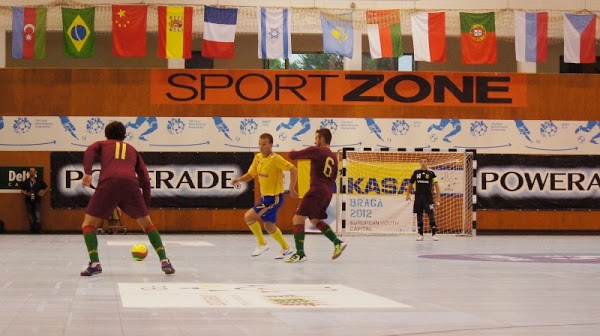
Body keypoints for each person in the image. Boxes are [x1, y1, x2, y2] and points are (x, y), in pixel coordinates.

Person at [79, 121, 175, 276]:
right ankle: (164, 260)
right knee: (147, 224)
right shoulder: (132, 149)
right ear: (124, 135)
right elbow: (144, 177)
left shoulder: (102, 144)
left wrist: (88, 172)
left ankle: (95, 263)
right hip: (130, 183)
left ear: (106, 134)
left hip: (109, 182)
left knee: (89, 224)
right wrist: (145, 204)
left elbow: (90, 150)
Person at [232, 133, 298, 259]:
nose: (261, 147)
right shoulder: (257, 158)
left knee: (249, 217)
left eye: (264, 144)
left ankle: (262, 243)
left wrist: (291, 188)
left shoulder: (276, 159)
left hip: (274, 198)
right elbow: (250, 175)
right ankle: (286, 248)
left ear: (271, 145)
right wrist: (238, 179)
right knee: (269, 225)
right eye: (259, 144)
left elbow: (293, 169)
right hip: (264, 197)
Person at [285, 128, 346, 263]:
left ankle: (300, 254)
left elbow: (293, 156)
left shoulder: (317, 150)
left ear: (322, 139)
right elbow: (334, 177)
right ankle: (337, 242)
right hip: (328, 192)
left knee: (298, 218)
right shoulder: (333, 157)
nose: (314, 141)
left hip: (316, 190)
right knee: (315, 220)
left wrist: (292, 151)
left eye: (316, 138)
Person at [405, 157, 442, 241]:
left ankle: (434, 234)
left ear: (427, 162)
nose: (423, 163)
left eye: (425, 161)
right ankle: (420, 234)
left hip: (428, 197)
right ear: (419, 163)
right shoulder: (416, 172)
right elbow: (410, 183)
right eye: (421, 161)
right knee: (419, 215)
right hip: (418, 197)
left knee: (431, 215)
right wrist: (407, 194)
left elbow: (436, 185)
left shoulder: (432, 173)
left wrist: (438, 197)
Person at [21, 167, 48, 233]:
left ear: (35, 172)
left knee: (37, 214)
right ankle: (32, 229)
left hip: (37, 200)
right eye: (31, 171)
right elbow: (22, 190)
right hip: (28, 200)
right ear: (29, 172)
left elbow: (46, 187)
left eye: (33, 171)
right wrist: (26, 193)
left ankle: (38, 229)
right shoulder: (26, 181)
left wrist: (42, 193)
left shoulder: (39, 181)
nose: (32, 172)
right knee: (30, 215)